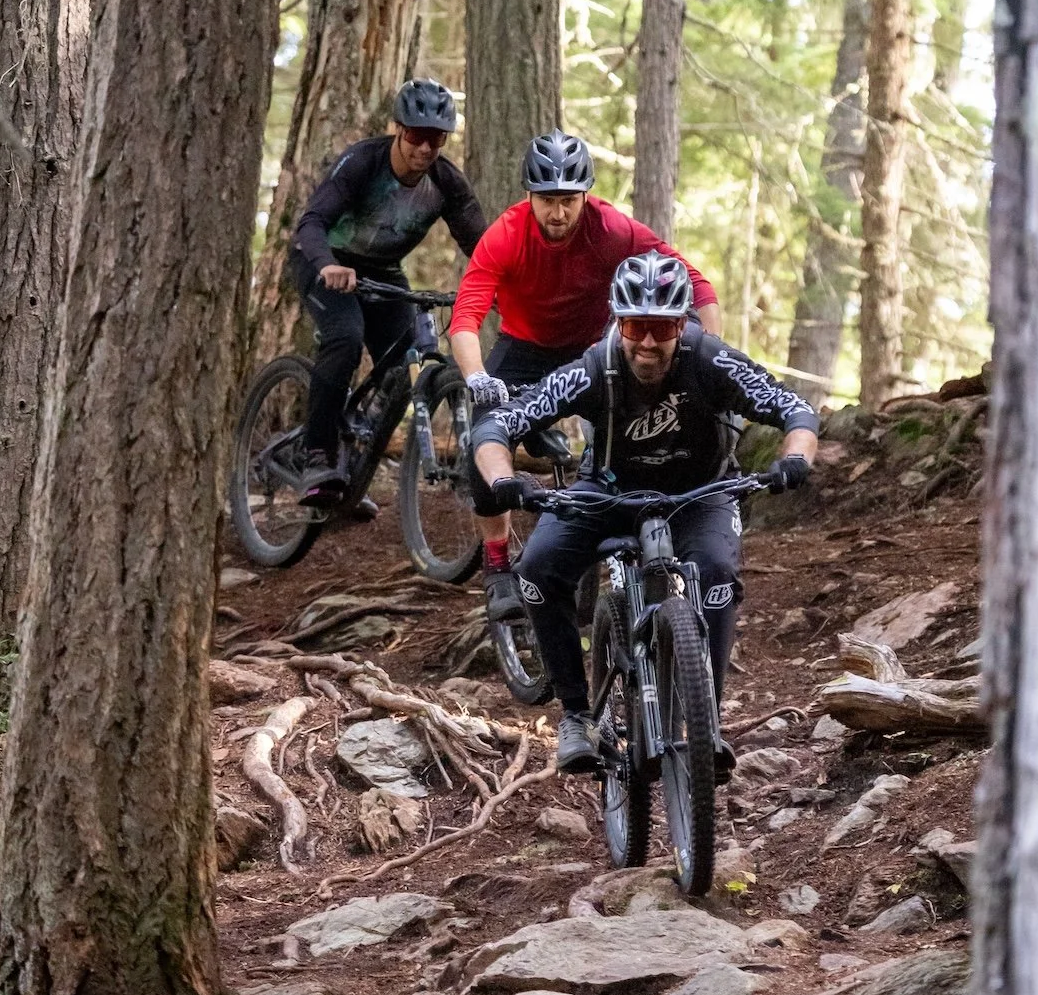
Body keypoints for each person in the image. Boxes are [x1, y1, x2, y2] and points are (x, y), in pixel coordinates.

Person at [471, 250, 820, 773]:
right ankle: (575, 715)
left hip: (698, 495)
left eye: (665, 326)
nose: (650, 342)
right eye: (636, 326)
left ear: (684, 323)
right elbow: (498, 426)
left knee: (718, 575)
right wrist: (503, 480)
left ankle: (707, 721)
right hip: (608, 491)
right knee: (538, 569)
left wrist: (793, 459)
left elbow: (794, 409)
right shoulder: (596, 367)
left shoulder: (710, 360)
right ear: (618, 321)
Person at [449, 128, 722, 620]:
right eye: (548, 200)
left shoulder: (612, 228)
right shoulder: (505, 237)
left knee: (625, 432)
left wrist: (713, 353)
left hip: (594, 347)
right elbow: (466, 318)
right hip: (525, 345)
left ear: (585, 196)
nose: (558, 213)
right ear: (529, 197)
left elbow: (694, 281)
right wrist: (476, 378)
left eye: (569, 200)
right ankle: (495, 564)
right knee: (485, 429)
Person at [290, 80, 486, 503]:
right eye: (416, 136)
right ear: (397, 129)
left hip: (381, 271)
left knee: (403, 367)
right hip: (323, 261)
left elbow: (483, 246)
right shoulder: (363, 162)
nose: (425, 149)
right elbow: (311, 223)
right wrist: (327, 265)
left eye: (437, 139)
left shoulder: (446, 182)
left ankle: (355, 469)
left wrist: (504, 285)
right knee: (345, 338)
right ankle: (316, 454)